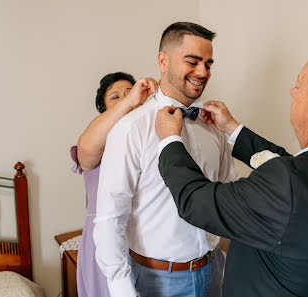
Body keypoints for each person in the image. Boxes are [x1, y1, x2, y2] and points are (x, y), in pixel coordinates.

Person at [155, 45, 308, 297]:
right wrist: (234, 129)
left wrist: (169, 140)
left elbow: (195, 201)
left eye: (300, 86)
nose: (292, 92)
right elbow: (300, 167)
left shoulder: (288, 183)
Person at [93, 22, 238, 297]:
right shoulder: (130, 129)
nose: (203, 72)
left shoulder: (214, 124)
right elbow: (110, 218)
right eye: (193, 61)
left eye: (208, 64)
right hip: (155, 280)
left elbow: (229, 192)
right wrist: (122, 290)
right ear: (163, 60)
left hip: (213, 270)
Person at [71, 72, 157, 297]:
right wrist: (129, 102)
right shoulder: (95, 142)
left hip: (144, 233)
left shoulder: (147, 135)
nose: (126, 99)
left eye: (130, 92)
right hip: (105, 236)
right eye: (115, 97)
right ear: (104, 108)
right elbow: (86, 155)